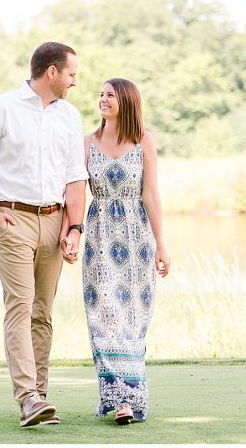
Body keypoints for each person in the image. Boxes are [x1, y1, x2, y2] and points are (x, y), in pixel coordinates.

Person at [0, 41, 88, 428]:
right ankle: (28, 398)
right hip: (12, 219)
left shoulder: (69, 116)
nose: (74, 82)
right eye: (71, 74)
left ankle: (41, 396)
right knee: (20, 305)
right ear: (51, 72)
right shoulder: (0, 109)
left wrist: (74, 229)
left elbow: (75, 177)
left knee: (42, 313)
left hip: (54, 222)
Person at [79, 78, 170, 425]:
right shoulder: (87, 143)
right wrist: (69, 232)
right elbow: (74, 191)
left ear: (127, 102)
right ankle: (118, 400)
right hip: (100, 240)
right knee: (104, 318)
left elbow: (151, 194)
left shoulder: (143, 141)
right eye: (101, 94)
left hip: (137, 241)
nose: (102, 100)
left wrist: (162, 244)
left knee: (132, 320)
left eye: (110, 96)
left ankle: (131, 397)